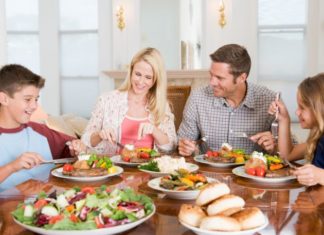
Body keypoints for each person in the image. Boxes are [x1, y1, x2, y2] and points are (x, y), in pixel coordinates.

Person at [178, 44, 277, 156]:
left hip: (253, 172)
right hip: (207, 172)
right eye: (211, 75)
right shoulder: (197, 98)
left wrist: (274, 146)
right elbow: (184, 142)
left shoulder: (269, 100)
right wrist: (187, 148)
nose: (212, 82)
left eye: (220, 78)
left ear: (242, 78)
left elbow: (289, 151)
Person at [0, 64, 84, 191]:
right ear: (4, 99)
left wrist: (76, 148)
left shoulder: (40, 132)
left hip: (49, 202)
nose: (34, 106)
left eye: (36, 99)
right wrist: (12, 167)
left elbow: (71, 149)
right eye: (28, 99)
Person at [82, 47, 177, 154]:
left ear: (155, 80)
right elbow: (85, 140)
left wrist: (154, 130)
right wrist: (99, 134)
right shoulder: (107, 100)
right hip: (115, 168)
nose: (141, 82)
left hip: (148, 168)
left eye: (148, 77)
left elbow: (171, 146)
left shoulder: (162, 106)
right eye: (138, 74)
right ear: (131, 71)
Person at [269, 73, 324, 186]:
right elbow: (287, 155)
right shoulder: (318, 139)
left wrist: (320, 176)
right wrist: (284, 119)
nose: (297, 112)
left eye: (302, 108)